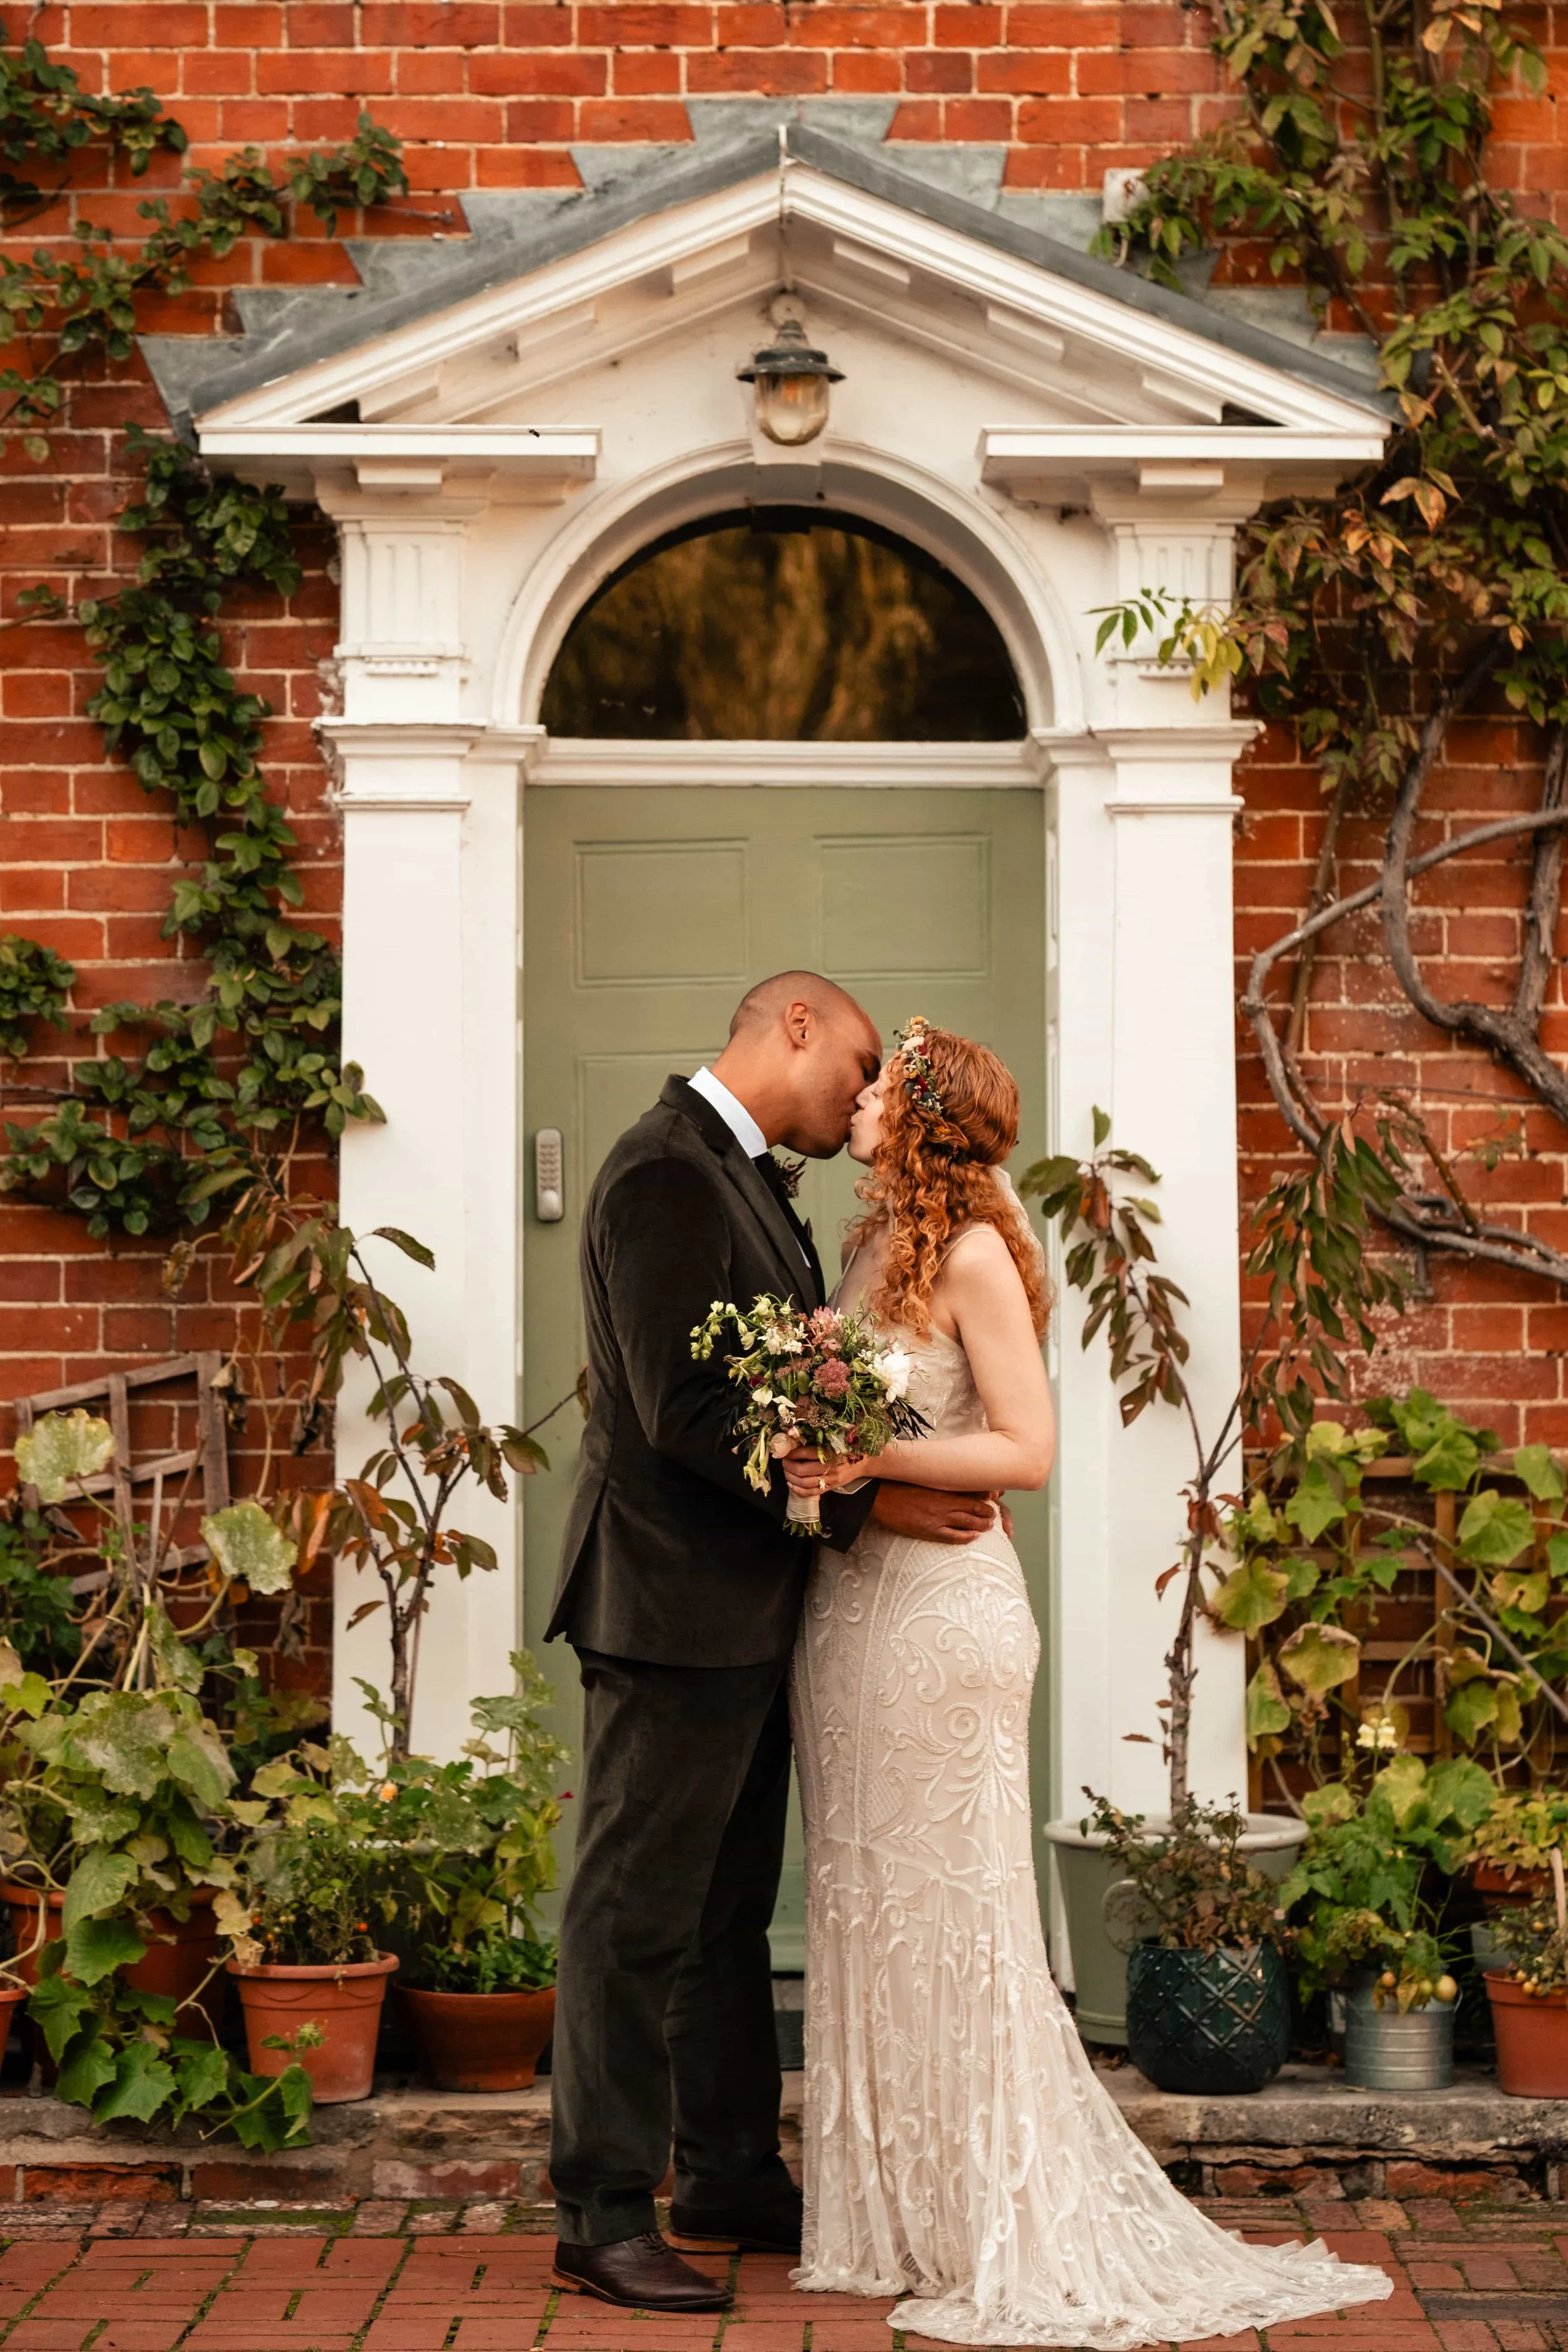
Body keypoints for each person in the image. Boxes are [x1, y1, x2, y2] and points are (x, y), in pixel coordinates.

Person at [785, 1019, 1396, 2348]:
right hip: (847, 1612)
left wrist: (860, 1462)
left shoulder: (974, 1254)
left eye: (887, 1081)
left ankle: (994, 2216)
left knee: (952, 1905)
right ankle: (894, 2213)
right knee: (865, 1890)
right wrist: (834, 1469)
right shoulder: (860, 1249)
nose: (864, 1095)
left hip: (946, 1621)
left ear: (928, 1113)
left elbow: (1024, 1448)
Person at [545, 974, 1006, 2316]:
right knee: (635, 1914)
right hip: (668, 1611)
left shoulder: (746, 1178)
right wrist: (873, 1498)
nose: (861, 1098)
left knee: (725, 1914)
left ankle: (732, 2170)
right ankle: (602, 2209)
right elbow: (684, 1409)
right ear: (790, 1025)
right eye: (856, 1061)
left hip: (747, 1609)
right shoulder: (662, 1174)